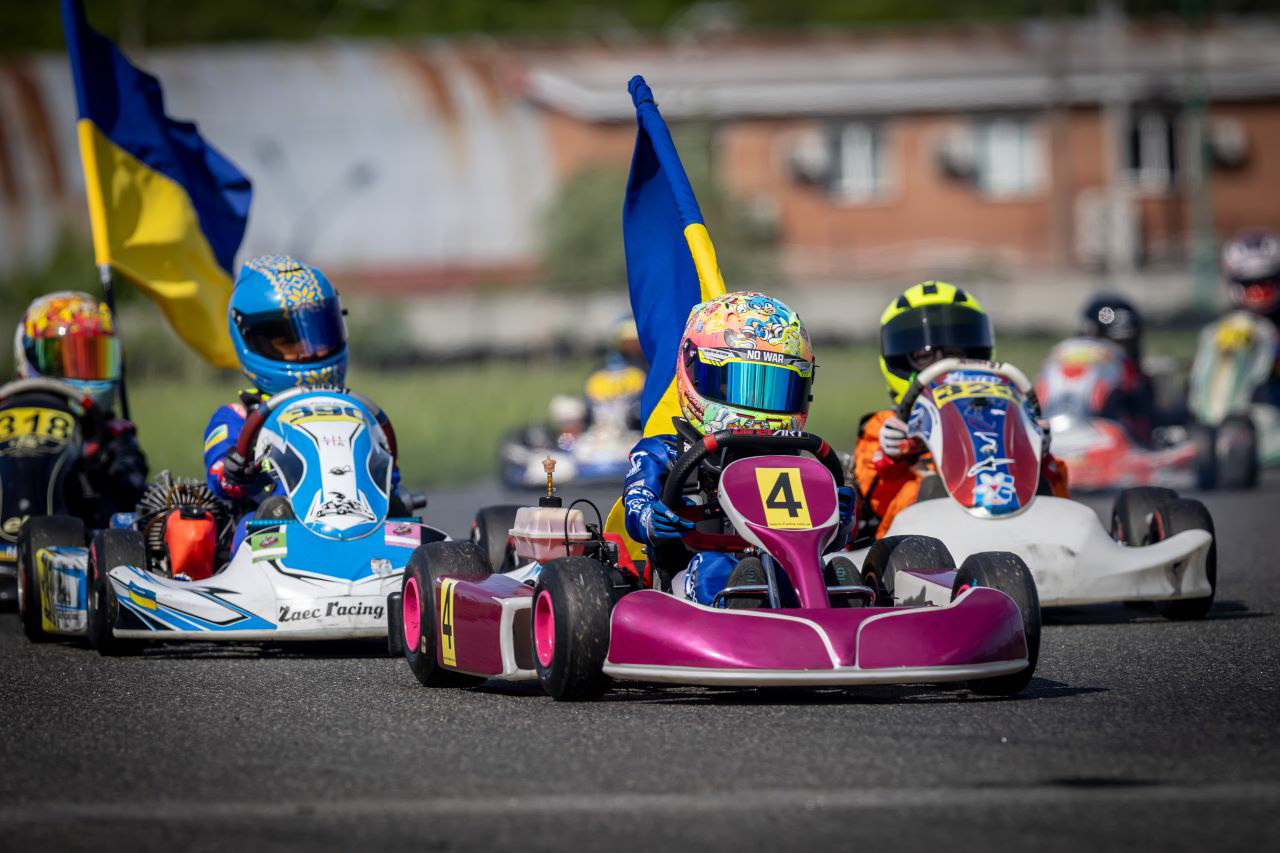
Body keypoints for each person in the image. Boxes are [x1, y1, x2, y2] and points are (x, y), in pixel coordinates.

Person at [622, 292, 855, 606]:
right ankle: (742, 603)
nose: (756, 405)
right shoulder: (664, 453)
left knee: (840, 572)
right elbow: (636, 506)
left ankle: (840, 611)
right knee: (716, 569)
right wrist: (651, 518)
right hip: (686, 584)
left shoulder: (796, 461)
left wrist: (839, 521)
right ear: (694, 370)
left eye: (774, 388)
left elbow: (828, 545)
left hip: (788, 574)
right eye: (738, 383)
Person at [853, 281, 1067, 539]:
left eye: (954, 352)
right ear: (901, 360)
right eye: (925, 355)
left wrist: (1040, 455)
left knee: (1042, 488)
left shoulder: (1002, 412)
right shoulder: (886, 425)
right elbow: (872, 498)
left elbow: (1060, 493)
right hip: (920, 542)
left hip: (1014, 528)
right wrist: (889, 458)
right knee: (932, 486)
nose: (943, 365)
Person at [203, 255, 374, 547]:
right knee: (259, 520)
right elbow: (220, 479)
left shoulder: (354, 412)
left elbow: (387, 472)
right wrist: (237, 471)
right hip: (279, 528)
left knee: (401, 515)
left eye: (319, 335)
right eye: (290, 341)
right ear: (250, 338)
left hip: (360, 521)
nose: (310, 351)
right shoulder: (237, 417)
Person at [12, 291, 148, 524]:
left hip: (83, 535)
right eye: (65, 359)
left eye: (93, 359)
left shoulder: (112, 438)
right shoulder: (8, 419)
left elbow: (133, 487)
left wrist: (101, 465)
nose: (82, 374)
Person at [1077, 293, 1156, 442]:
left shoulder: (1134, 381)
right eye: (1109, 344)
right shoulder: (1061, 366)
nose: (1118, 352)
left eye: (1125, 345)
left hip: (1113, 441)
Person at [1221, 229, 1280, 404]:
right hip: (1244, 409)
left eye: (1265, 282)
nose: (1259, 291)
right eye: (1250, 284)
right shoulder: (1230, 327)